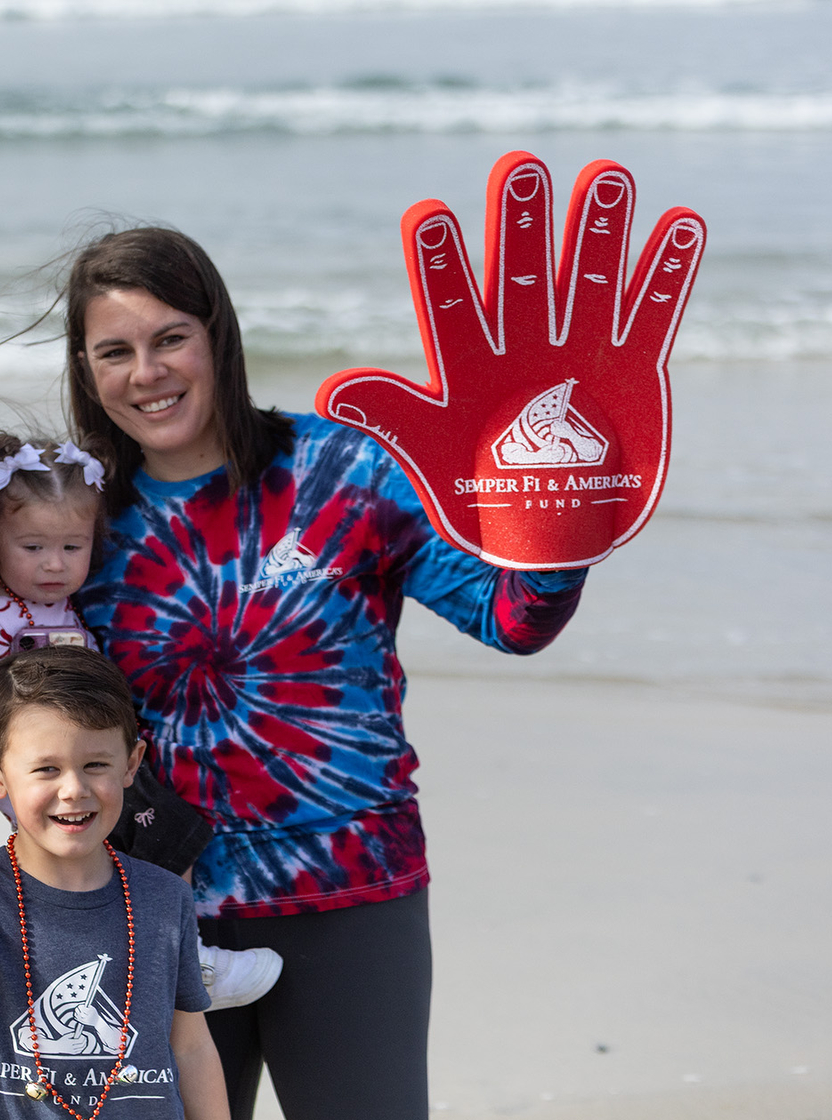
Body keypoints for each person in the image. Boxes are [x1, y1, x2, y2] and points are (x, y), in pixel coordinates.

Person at [57, 228, 588, 1120]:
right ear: (86, 369)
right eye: (116, 351)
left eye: (171, 338)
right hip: (160, 913)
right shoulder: (79, 529)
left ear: (218, 336)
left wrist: (570, 511)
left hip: (352, 895)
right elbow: (13, 706)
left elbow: (510, 619)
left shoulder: (343, 470)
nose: (147, 373)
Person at [0, 431, 282, 1011]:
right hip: (52, 780)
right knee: (135, 857)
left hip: (99, 767)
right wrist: (13, 791)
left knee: (165, 844)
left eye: (72, 547)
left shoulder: (65, 609)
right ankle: (184, 965)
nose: (54, 563)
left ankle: (173, 956)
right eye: (33, 546)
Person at [0, 644, 230, 1120]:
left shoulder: (165, 896)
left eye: (96, 765)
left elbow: (191, 1046)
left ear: (132, 764)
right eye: (47, 769)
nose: (74, 789)